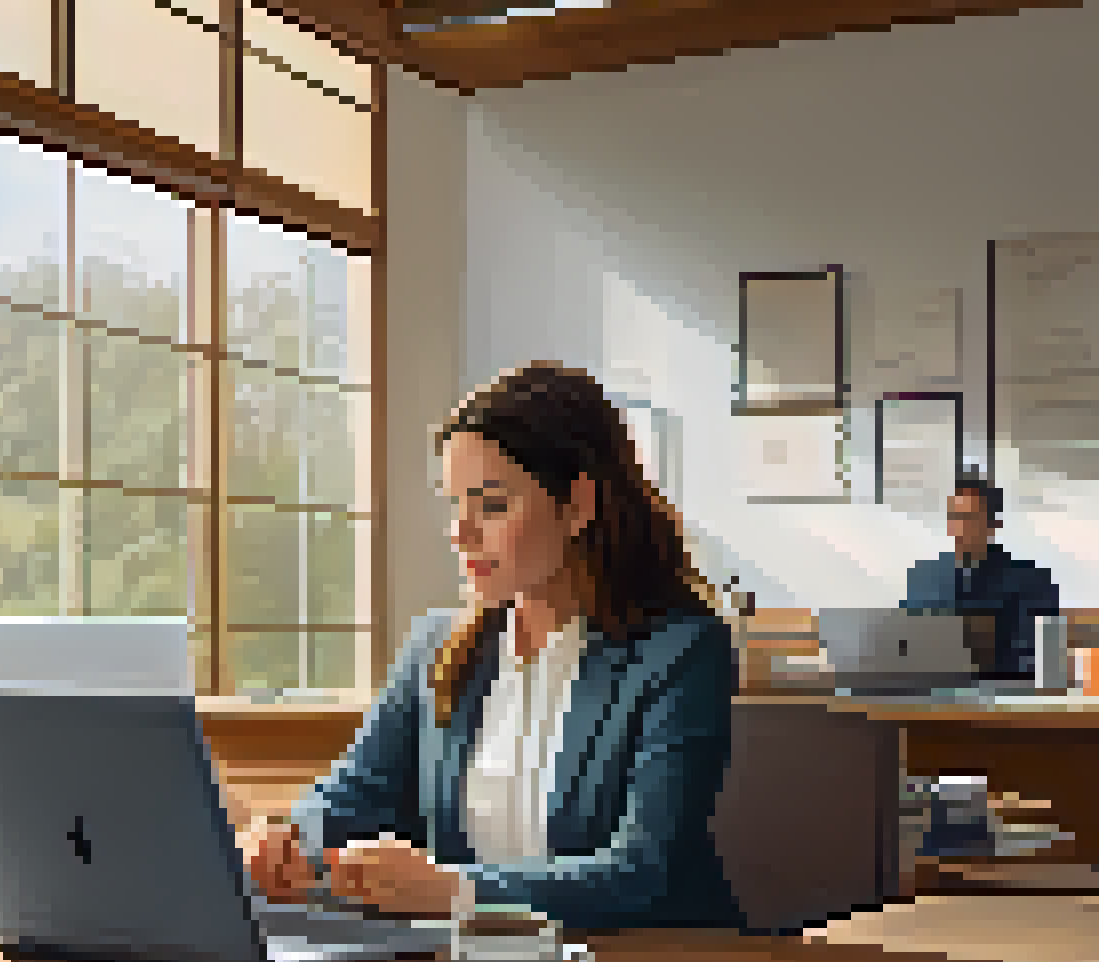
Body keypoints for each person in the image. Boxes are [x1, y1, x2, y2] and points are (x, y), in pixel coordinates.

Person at [241, 362, 744, 932]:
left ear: (578, 506)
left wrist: (453, 891)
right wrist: (289, 833)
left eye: (492, 504)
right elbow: (359, 791)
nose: (462, 532)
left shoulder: (681, 651)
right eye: (455, 504)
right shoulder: (436, 647)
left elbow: (639, 871)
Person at [901, 474, 1060, 680]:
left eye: (969, 518)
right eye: (954, 517)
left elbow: (1042, 663)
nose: (959, 528)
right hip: (926, 692)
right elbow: (902, 644)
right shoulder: (924, 576)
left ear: (994, 524)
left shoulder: (1032, 582)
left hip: (1000, 697)